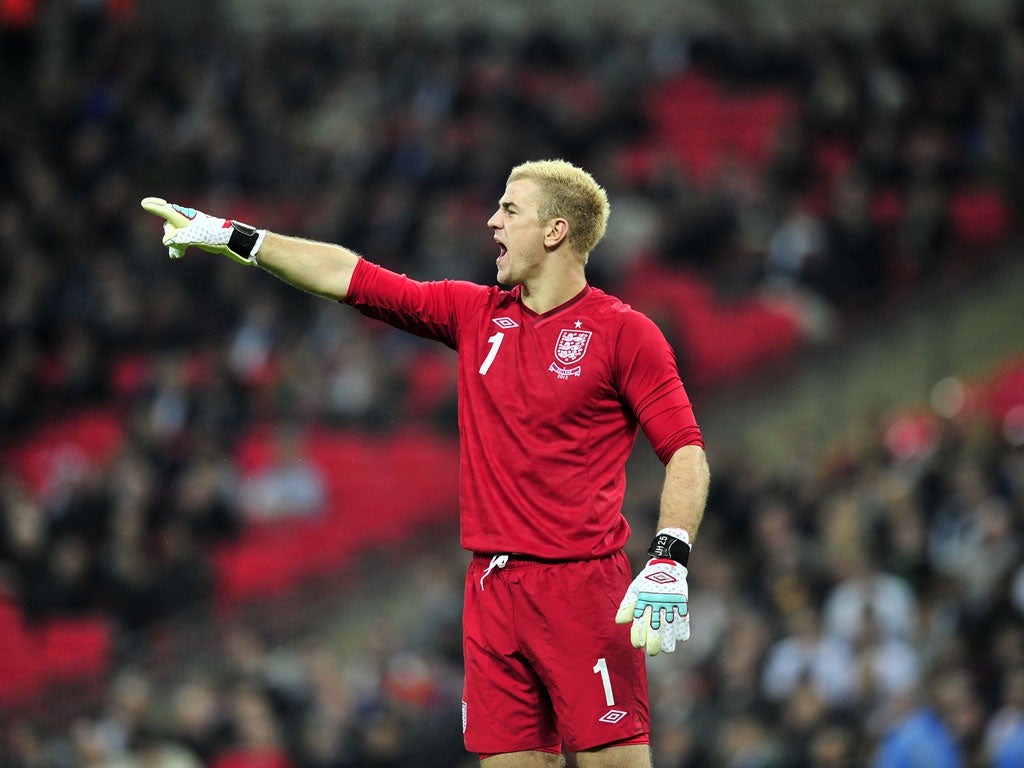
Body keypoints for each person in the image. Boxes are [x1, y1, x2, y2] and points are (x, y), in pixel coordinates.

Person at [141, 158, 710, 768]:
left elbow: (686, 452)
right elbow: (348, 274)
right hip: (491, 592)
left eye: (510, 210)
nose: (492, 222)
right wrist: (235, 236)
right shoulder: (473, 314)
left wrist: (669, 557)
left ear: (555, 231)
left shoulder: (625, 333)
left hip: (581, 586)